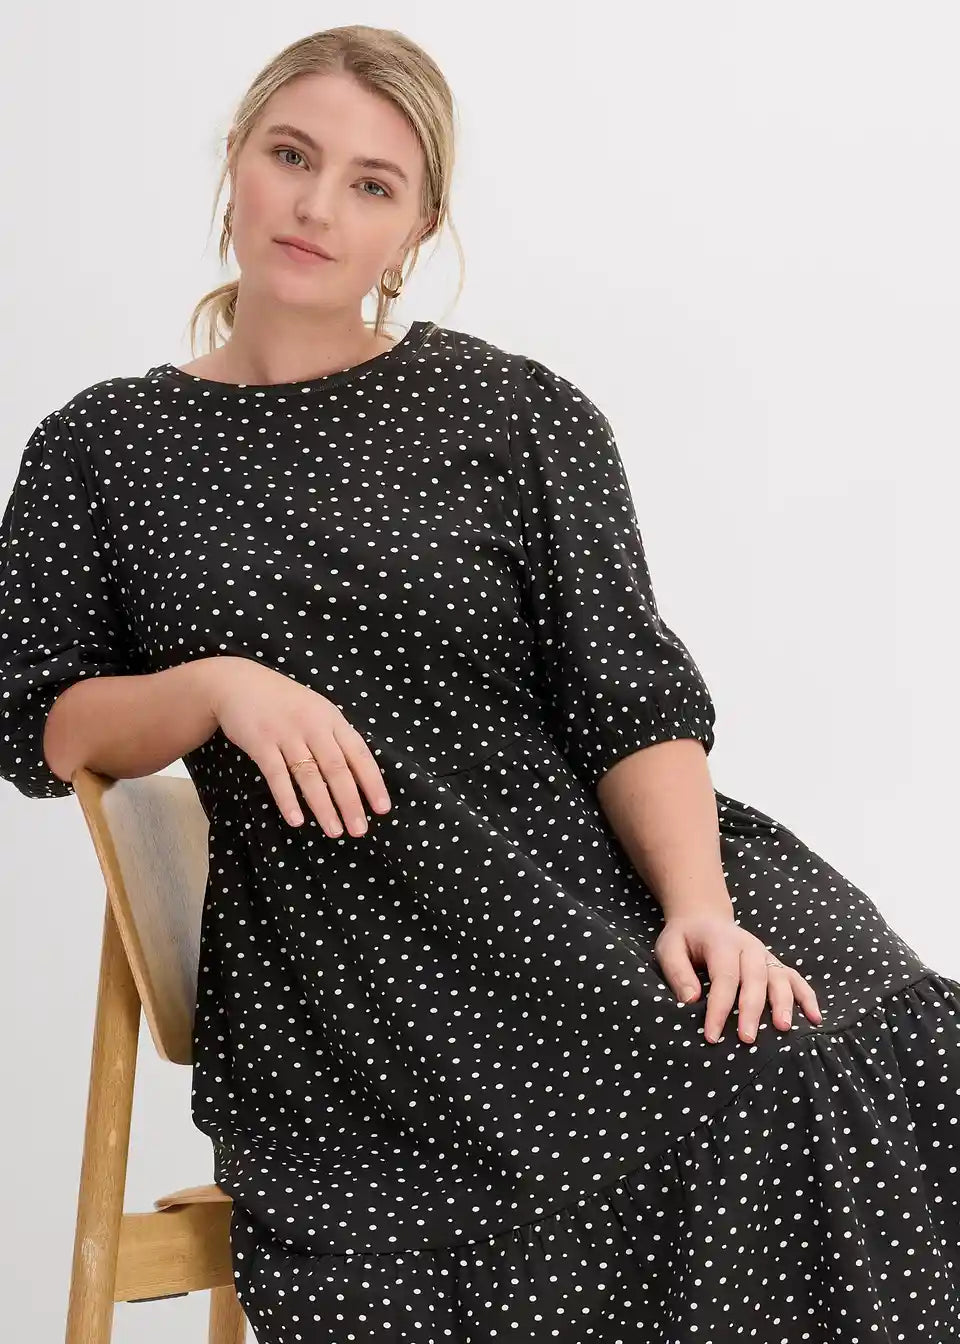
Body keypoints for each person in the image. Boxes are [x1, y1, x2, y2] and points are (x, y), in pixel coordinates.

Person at [2, 23, 958, 1344]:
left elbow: (630, 699)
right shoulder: (104, 447)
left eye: (371, 184)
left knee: (892, 1042)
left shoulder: (518, 415)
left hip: (610, 868)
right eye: (292, 155)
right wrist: (217, 686)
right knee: (747, 1090)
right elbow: (37, 719)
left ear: (419, 227)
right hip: (372, 955)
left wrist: (701, 909)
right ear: (235, 160)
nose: (317, 207)